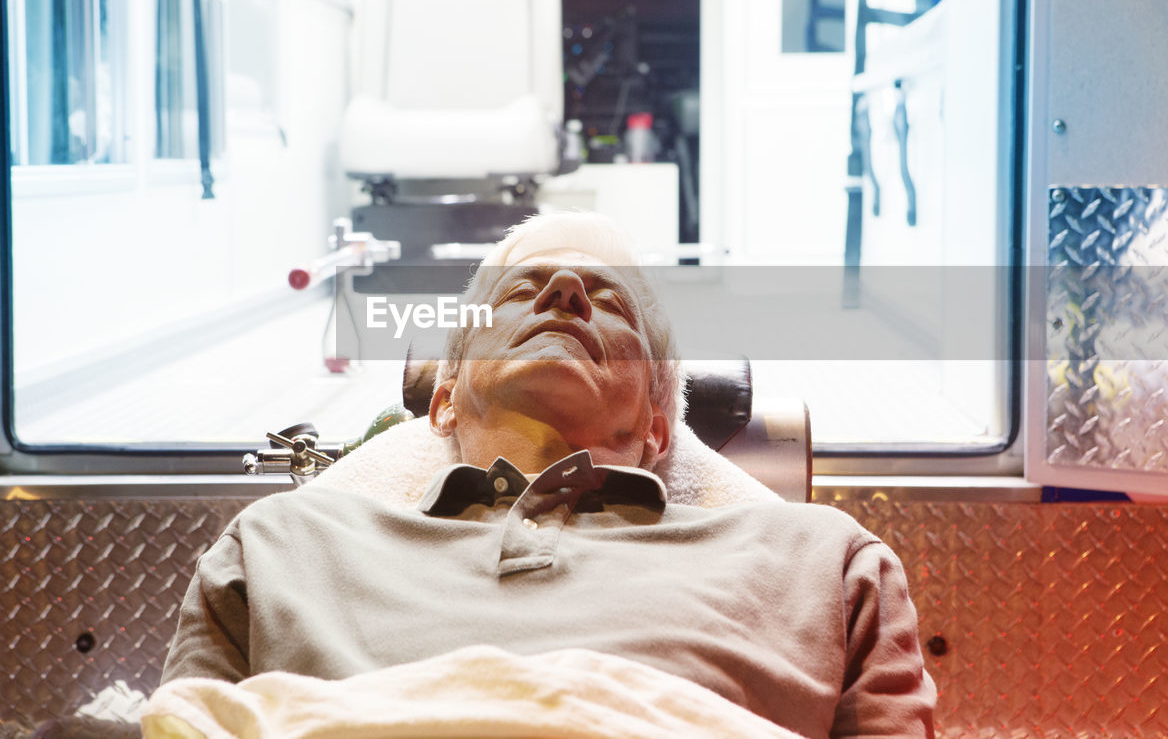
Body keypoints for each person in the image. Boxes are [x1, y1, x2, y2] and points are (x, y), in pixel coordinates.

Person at [160, 211, 937, 737]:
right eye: (522, 293)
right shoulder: (281, 546)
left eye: (610, 305)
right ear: (446, 397)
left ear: (660, 423)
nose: (565, 294)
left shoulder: (822, 562)